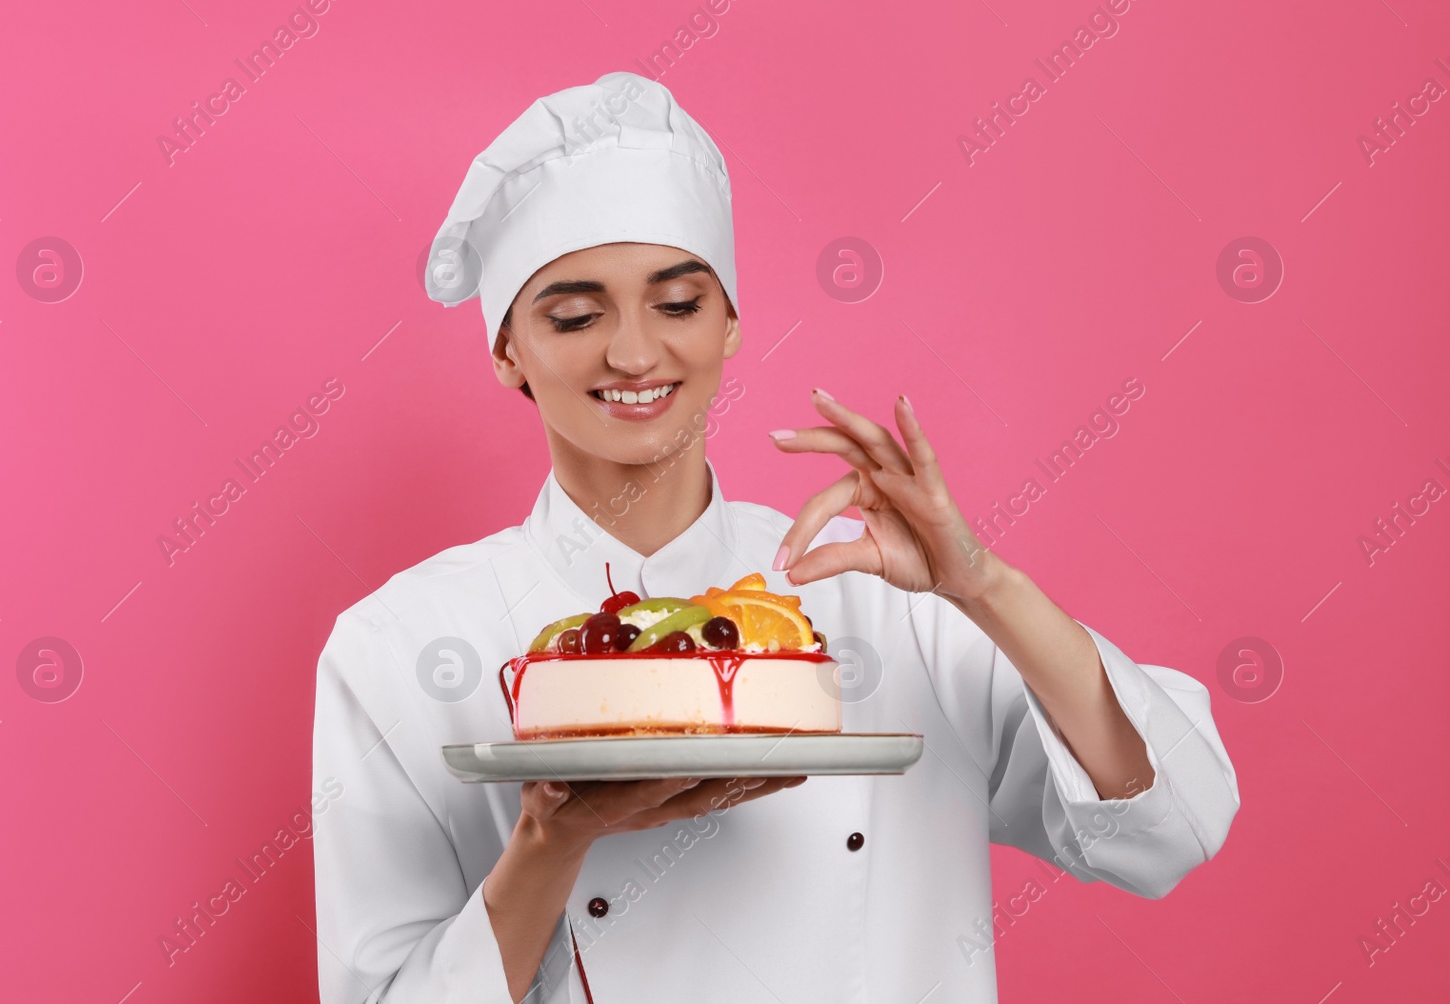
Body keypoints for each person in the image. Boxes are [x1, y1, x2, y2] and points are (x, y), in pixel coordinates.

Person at [311, 71, 1239, 1003]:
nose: (634, 353)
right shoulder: (398, 645)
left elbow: (1174, 829)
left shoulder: (890, 596)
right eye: (576, 316)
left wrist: (983, 584)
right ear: (510, 347)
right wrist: (553, 843)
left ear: (731, 324)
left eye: (677, 304)